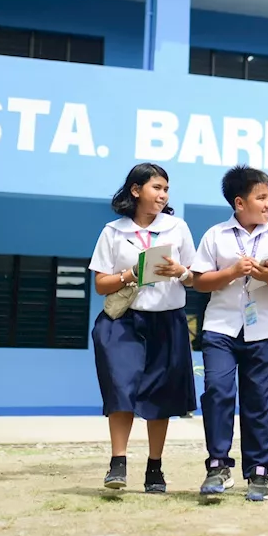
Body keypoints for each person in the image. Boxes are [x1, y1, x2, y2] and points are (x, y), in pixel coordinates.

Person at [190, 165, 268, 501]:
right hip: (220, 328)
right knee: (218, 393)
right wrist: (233, 271)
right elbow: (199, 281)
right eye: (262, 198)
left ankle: (258, 471)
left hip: (263, 330)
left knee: (258, 402)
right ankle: (217, 466)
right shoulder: (216, 235)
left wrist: (267, 276)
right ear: (240, 203)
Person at [89, 163, 196, 493]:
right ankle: (117, 463)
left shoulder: (177, 228)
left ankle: (155, 468)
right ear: (136, 191)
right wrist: (130, 274)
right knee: (120, 387)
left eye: (166, 189)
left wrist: (179, 270)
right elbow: (100, 284)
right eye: (156, 188)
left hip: (167, 320)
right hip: (124, 323)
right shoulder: (113, 231)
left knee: (160, 395)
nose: (163, 195)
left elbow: (194, 277)